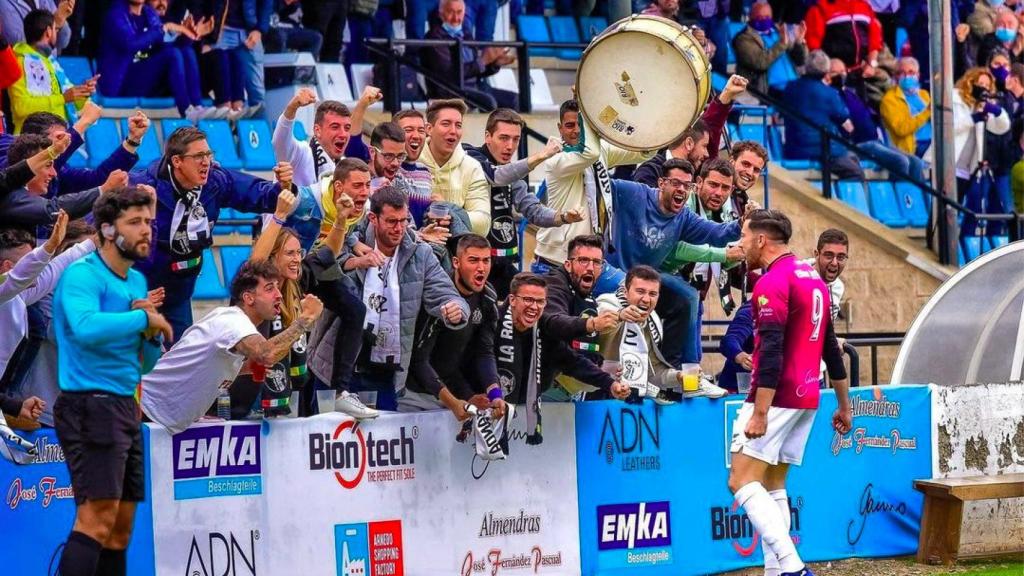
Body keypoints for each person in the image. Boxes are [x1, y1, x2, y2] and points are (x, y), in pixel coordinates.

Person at [52, 186, 172, 576]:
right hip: (89, 404)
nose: (146, 231)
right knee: (96, 519)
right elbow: (84, 328)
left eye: (149, 223)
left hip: (124, 404)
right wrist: (143, 319)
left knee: (120, 529)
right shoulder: (81, 276)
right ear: (106, 229)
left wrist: (150, 335)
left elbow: (144, 364)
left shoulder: (136, 283)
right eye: (134, 222)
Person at [726, 209, 849, 576]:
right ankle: (776, 572)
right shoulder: (812, 278)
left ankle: (793, 568)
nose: (741, 244)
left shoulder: (772, 282)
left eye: (745, 237)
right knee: (773, 483)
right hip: (809, 394)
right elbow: (830, 347)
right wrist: (844, 404)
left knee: (741, 480)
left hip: (776, 396)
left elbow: (773, 349)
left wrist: (760, 412)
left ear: (761, 240)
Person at [313, 186, 469, 411]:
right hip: (335, 367)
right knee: (329, 441)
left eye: (403, 221)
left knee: (383, 442)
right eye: (391, 222)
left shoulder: (420, 253)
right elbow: (322, 272)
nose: (399, 229)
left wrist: (456, 309)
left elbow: (446, 294)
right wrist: (356, 262)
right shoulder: (349, 242)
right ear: (373, 218)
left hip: (385, 370)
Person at [130, 126, 284, 340]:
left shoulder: (214, 181)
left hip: (179, 293)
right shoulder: (143, 187)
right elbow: (101, 225)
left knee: (177, 361)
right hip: (139, 293)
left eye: (208, 155)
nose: (206, 162)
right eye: (199, 156)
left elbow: (257, 195)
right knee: (136, 361)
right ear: (177, 161)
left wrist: (282, 187)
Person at [142, 260, 324, 433]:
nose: (279, 294)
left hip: (154, 414)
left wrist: (245, 368)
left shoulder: (234, 323)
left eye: (277, 287)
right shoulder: (233, 322)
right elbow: (266, 353)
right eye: (269, 288)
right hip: (142, 409)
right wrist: (304, 320)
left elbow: (213, 362)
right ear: (248, 298)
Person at [533, 99, 655, 295]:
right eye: (570, 125)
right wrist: (587, 109)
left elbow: (642, 152)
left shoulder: (599, 151)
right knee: (560, 323)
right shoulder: (556, 158)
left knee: (634, 292)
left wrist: (658, 127)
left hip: (591, 262)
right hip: (554, 264)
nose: (576, 131)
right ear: (560, 128)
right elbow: (590, 152)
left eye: (580, 125)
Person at [497, 272, 631, 442]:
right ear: (512, 300)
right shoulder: (493, 323)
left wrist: (610, 384)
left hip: (526, 410)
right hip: (486, 405)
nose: (534, 307)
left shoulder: (542, 328)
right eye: (528, 300)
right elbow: (479, 361)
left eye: (540, 302)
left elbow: (572, 362)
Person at [466, 108, 579, 298]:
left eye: (516, 139)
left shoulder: (513, 172)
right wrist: (542, 155)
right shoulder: (470, 156)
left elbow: (532, 210)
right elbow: (496, 176)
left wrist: (564, 217)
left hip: (504, 264)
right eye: (503, 138)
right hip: (476, 263)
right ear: (488, 136)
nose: (510, 146)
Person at [3, 219, 97, 427]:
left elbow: (54, 268)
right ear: (8, 268)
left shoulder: (23, 294)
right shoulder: (11, 292)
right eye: (28, 263)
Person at [401, 233, 504, 419]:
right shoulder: (438, 295)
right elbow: (419, 361)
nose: (481, 268)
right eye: (473, 260)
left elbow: (484, 351)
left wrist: (494, 394)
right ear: (456, 262)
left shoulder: (488, 297)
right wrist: (454, 402)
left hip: (455, 394)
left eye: (486, 261)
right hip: (418, 396)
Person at [657, 159, 745, 369]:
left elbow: (727, 263)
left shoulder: (726, 212)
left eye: (725, 188)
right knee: (690, 298)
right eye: (713, 185)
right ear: (698, 183)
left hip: (678, 276)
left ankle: (689, 370)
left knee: (694, 305)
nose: (718, 193)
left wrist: (739, 254)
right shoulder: (686, 202)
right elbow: (678, 247)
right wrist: (724, 254)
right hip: (654, 267)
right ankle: (686, 370)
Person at [97, 0, 207, 120]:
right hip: (121, 83)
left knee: (186, 51)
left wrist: (187, 35)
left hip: (144, 80)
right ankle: (186, 110)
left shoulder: (148, 13)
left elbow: (162, 47)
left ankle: (198, 107)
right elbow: (131, 44)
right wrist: (164, 28)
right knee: (172, 55)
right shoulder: (116, 14)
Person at [539, 235, 618, 400]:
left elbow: (582, 351)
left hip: (571, 387)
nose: (590, 267)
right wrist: (591, 324)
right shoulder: (553, 285)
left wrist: (602, 368)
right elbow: (554, 322)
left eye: (597, 262)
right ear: (568, 265)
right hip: (544, 387)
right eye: (583, 260)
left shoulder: (587, 295)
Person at [594, 265, 690, 401]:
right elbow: (601, 319)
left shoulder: (654, 321)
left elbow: (652, 373)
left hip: (632, 400)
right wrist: (620, 315)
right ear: (626, 292)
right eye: (640, 291)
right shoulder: (608, 301)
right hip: (596, 392)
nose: (646, 299)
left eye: (652, 294)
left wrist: (678, 376)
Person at [829, 58, 927, 183]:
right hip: (857, 144)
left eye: (843, 71)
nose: (841, 75)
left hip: (875, 141)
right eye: (835, 72)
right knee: (901, 161)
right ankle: (899, 199)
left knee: (916, 163)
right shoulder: (831, 95)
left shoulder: (850, 93)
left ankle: (920, 200)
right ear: (827, 75)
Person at [0, 135, 129, 226]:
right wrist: (103, 189)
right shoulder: (10, 197)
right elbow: (53, 210)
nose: (54, 173)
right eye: (47, 165)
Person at [781, 50, 865, 181]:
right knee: (856, 172)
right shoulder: (829, 93)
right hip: (822, 150)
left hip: (793, 147)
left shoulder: (790, 87)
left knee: (853, 157)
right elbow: (845, 120)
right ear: (826, 71)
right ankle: (838, 201)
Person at [9, 9, 95, 134]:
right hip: (30, 143)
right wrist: (62, 98)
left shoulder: (49, 61)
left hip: (55, 139)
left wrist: (82, 92)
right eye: (56, 29)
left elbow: (64, 99)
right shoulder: (20, 62)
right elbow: (21, 107)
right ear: (48, 32)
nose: (56, 33)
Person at [422, 0, 517, 111]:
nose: (456, 18)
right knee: (488, 102)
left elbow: (477, 71)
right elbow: (449, 75)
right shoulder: (435, 38)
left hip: (475, 87)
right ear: (441, 14)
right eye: (450, 12)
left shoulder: (466, 34)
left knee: (515, 100)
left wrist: (494, 64)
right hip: (451, 91)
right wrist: (483, 61)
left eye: (459, 12)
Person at [272, 87, 373, 188]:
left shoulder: (343, 165)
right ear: (317, 130)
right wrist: (293, 107)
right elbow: (280, 141)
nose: (343, 134)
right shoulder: (302, 153)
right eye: (335, 127)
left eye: (347, 128)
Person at [953, 68, 1012, 237]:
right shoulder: (955, 98)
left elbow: (1002, 128)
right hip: (953, 161)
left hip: (971, 167)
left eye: (987, 85)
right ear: (971, 82)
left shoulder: (982, 106)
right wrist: (973, 119)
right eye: (980, 84)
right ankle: (944, 244)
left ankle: (966, 242)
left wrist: (997, 111)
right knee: (950, 208)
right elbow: (951, 127)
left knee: (975, 207)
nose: (984, 88)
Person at [419, 98, 492, 236]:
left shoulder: (472, 167)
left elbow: (483, 224)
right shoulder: (412, 161)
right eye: (446, 124)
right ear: (429, 129)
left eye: (458, 125)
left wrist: (449, 210)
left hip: (457, 249)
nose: (453, 131)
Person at [279, 157, 371, 251]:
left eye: (368, 185)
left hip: (323, 261)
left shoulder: (360, 208)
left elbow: (346, 231)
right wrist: (285, 187)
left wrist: (354, 243)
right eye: (357, 186)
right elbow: (286, 200)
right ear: (338, 186)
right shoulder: (305, 201)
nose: (365, 192)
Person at [206, 0, 272, 119]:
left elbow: (267, 3)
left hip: (249, 30)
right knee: (222, 91)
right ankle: (224, 133)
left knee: (257, 94)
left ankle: (260, 134)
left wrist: (260, 29)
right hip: (219, 29)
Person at [733, 2, 808, 96]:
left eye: (767, 17)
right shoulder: (743, 38)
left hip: (793, 84)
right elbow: (760, 63)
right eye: (759, 17)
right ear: (750, 16)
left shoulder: (778, 31)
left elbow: (800, 61)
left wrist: (799, 42)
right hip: (768, 90)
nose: (764, 20)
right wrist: (781, 44)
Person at [880, 56, 933, 158]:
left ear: (918, 75)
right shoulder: (889, 100)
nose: (907, 76)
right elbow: (901, 129)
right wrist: (927, 112)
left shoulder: (923, 94)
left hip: (933, 141)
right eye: (902, 73)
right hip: (915, 146)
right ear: (896, 76)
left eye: (911, 72)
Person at [632, 120, 710, 187]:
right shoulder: (650, 171)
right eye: (704, 146)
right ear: (689, 143)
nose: (707, 154)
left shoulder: (693, 178)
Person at [393, 109, 434, 227]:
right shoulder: (389, 169)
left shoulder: (425, 171)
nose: (416, 136)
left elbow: (424, 219)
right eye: (408, 130)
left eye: (421, 131)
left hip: (424, 239)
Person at [807, 228, 849, 322]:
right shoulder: (795, 277)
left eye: (840, 257)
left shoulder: (838, 286)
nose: (834, 263)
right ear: (816, 254)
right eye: (829, 255)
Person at [0, 0, 72, 51]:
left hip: (50, 67)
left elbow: (63, 42)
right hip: (24, 69)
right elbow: (19, 44)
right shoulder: (3, 4)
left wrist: (61, 19)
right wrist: (55, 25)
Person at [718, 298, 754, 393]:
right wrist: (740, 356)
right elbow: (729, 340)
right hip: (739, 388)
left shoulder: (795, 311)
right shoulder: (751, 310)